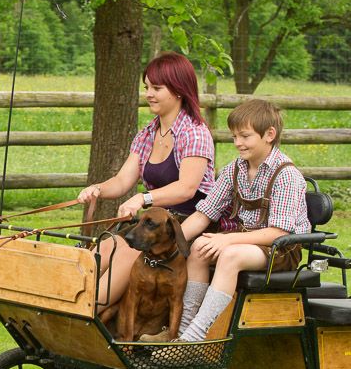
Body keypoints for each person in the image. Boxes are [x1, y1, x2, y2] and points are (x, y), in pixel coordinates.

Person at [77, 51, 216, 308]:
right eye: (147, 87)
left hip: (186, 225)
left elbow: (187, 188)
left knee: (124, 255)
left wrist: (143, 197)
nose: (149, 93)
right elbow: (121, 181)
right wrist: (97, 189)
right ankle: (69, 303)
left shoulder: (195, 132)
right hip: (153, 222)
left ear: (178, 90)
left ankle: (93, 310)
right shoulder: (148, 133)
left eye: (157, 87)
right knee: (101, 251)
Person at [175, 98, 310, 342]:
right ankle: (182, 330)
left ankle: (196, 335)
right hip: (244, 241)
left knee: (230, 255)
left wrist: (228, 241)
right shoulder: (234, 169)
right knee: (198, 247)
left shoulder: (287, 175)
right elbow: (204, 213)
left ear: (269, 134)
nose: (238, 143)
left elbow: (278, 233)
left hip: (281, 250)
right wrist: (173, 243)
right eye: (234, 136)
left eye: (245, 136)